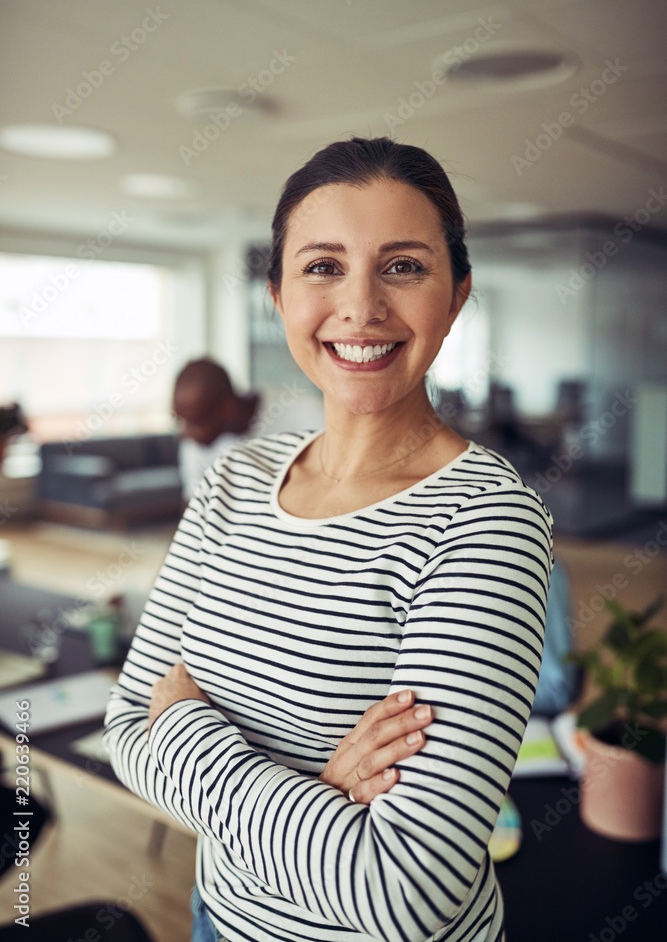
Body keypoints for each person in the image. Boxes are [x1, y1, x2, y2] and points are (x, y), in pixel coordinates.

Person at [104, 136, 553, 942]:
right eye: (322, 266)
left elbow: (406, 896)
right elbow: (121, 729)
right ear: (277, 296)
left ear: (455, 296)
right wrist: (318, 786)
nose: (361, 306)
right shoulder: (234, 482)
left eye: (404, 266)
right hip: (220, 916)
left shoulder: (485, 522)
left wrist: (183, 726)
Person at [172, 358, 259, 500]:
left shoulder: (295, 414)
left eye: (194, 423)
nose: (185, 433)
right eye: (180, 421)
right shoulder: (193, 446)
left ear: (226, 408)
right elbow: (193, 503)